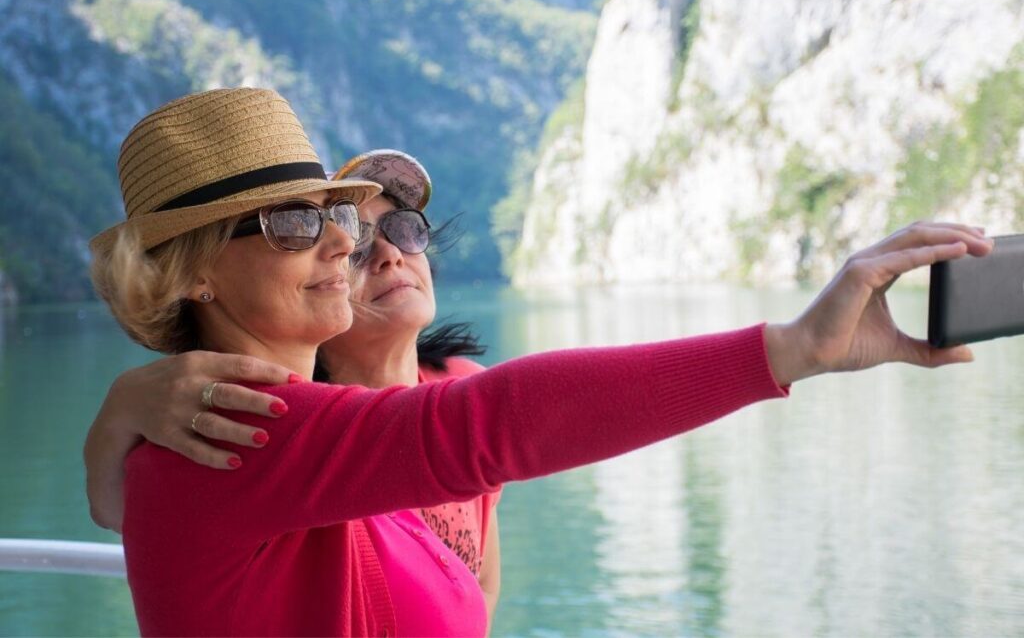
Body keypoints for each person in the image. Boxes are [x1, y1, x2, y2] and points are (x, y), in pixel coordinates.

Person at [88, 87, 992, 637]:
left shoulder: (223, 432)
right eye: (291, 221)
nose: (339, 241)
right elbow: (490, 428)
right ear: (192, 270)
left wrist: (114, 423)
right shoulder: (235, 434)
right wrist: (792, 348)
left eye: (336, 214)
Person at [85, 149, 504, 626]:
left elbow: (480, 582)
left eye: (404, 230)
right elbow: (123, 507)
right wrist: (119, 415)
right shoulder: (270, 434)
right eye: (298, 227)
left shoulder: (459, 382)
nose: (359, 248)